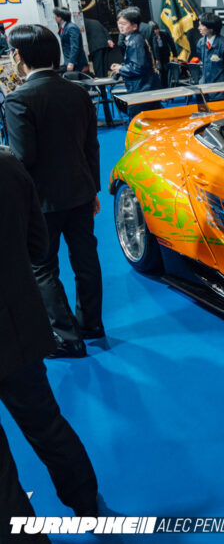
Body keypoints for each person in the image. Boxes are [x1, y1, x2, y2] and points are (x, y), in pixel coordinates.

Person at [0, 150, 100, 529]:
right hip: (17, 327)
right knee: (46, 424)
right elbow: (38, 246)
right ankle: (86, 505)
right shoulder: (8, 166)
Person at [4, 24, 103, 358]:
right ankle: (91, 325)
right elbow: (91, 146)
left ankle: (66, 336)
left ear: (20, 56)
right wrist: (93, 190)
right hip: (81, 192)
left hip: (41, 200)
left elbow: (23, 158)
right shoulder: (78, 92)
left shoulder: (19, 99)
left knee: (43, 266)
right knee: (85, 259)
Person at [110, 7, 161, 118]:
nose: (120, 26)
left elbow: (138, 67)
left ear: (134, 26)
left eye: (124, 23)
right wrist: (122, 67)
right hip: (145, 86)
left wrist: (120, 69)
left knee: (139, 120)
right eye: (119, 23)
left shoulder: (135, 41)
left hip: (142, 88)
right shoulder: (134, 38)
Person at [54, 8, 88, 74]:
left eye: (56, 15)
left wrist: (71, 62)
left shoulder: (71, 27)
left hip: (76, 63)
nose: (54, 17)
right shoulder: (63, 27)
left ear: (61, 17)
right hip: (68, 61)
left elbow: (74, 46)